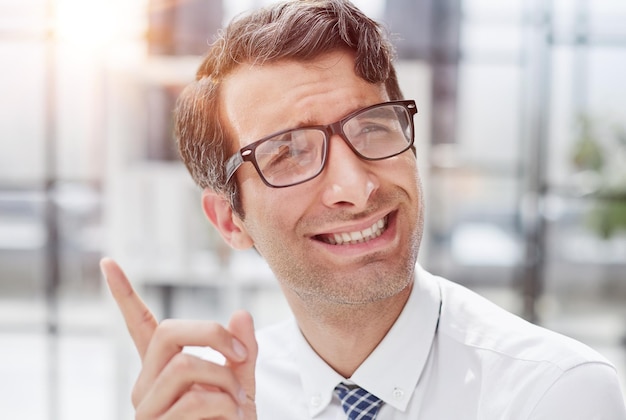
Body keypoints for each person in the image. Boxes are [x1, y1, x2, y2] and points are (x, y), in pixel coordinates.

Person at [100, 0, 626, 418]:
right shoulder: (216, 403)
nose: (355, 186)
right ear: (228, 221)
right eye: (288, 152)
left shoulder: (555, 395)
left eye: (373, 126)